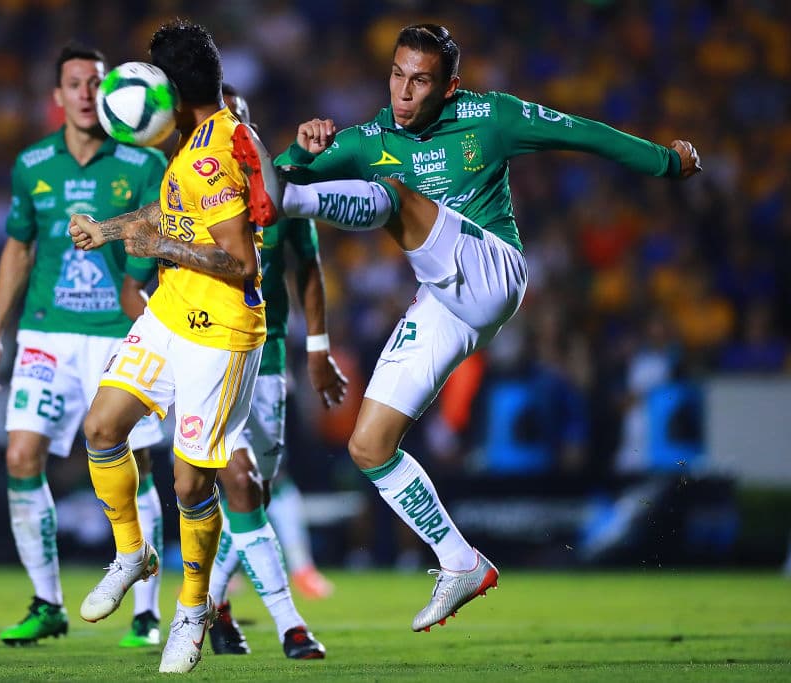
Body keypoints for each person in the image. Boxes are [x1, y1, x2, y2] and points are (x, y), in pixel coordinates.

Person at [233, 23, 701, 632]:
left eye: (420, 80)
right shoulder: (367, 137)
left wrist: (664, 161)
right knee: (368, 446)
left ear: (449, 87)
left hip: (495, 270)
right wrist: (301, 150)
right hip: (444, 297)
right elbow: (281, 181)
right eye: (397, 75)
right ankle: (461, 562)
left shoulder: (491, 116)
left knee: (392, 196)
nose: (403, 91)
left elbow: (580, 132)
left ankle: (282, 191)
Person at [67, 20, 264, 674]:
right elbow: (166, 214)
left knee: (188, 480)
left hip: (221, 329)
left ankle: (191, 609)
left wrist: (163, 250)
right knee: (101, 426)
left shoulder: (211, 156)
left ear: (173, 95)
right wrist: (110, 228)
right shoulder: (199, 137)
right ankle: (134, 554)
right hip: (172, 311)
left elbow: (241, 264)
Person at [0, 42, 168, 648]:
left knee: (134, 468)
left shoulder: (139, 164)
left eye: (96, 83)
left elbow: (166, 231)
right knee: (20, 457)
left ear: (110, 94)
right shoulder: (32, 164)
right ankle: (48, 601)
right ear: (57, 97)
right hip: (45, 332)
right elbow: (18, 247)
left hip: (118, 332)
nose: (86, 93)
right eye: (75, 83)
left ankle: (145, 611)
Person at [205, 83, 341, 660]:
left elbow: (307, 267)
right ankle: (289, 624)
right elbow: (143, 276)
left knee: (255, 486)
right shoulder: (188, 188)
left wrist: (318, 347)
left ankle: (211, 603)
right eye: (223, 122)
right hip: (208, 353)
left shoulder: (280, 190)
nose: (235, 133)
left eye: (242, 122)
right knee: (239, 482)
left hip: (269, 356)